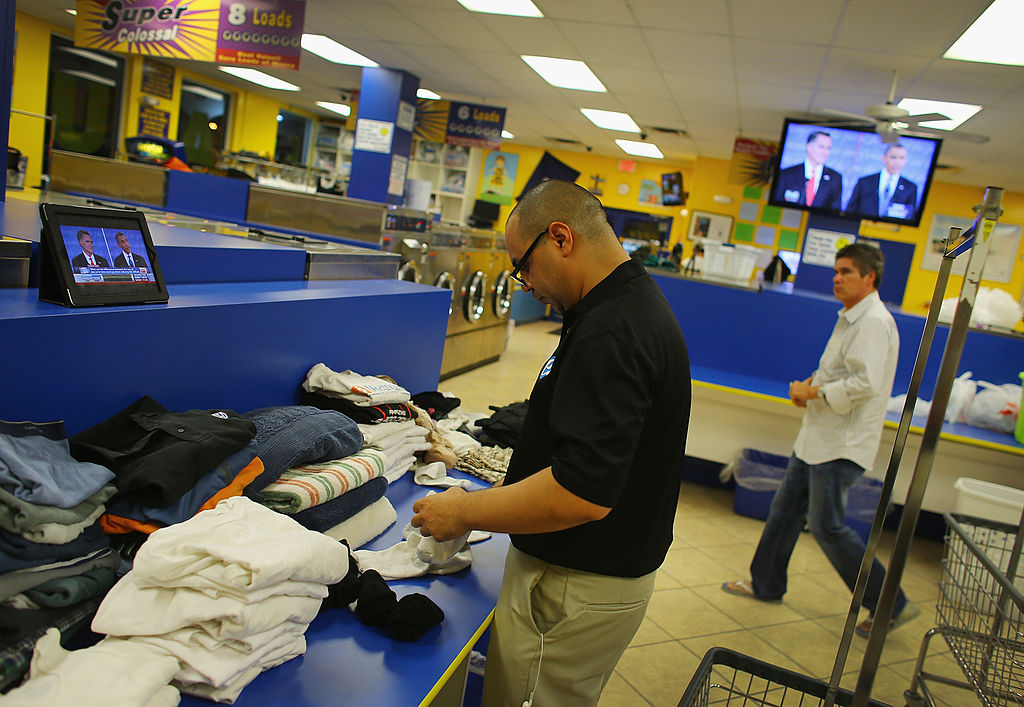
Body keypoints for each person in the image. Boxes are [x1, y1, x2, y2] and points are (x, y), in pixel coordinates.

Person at [410, 179, 691, 706]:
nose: (523, 283)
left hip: (575, 585)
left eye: (524, 266)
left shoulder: (613, 333)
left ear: (560, 238)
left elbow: (579, 493)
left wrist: (465, 512)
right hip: (581, 577)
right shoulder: (617, 307)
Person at [723, 242, 917, 637]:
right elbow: (833, 370)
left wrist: (815, 393)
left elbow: (865, 383)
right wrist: (807, 386)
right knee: (784, 513)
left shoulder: (874, 322)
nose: (837, 278)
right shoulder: (850, 318)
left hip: (840, 446)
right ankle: (766, 585)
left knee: (827, 527)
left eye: (846, 272)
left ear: (869, 278)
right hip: (817, 439)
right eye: (836, 271)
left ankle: (887, 604)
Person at [845, 143, 918, 221]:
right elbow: (850, 211)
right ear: (884, 158)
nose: (897, 162)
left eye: (902, 158)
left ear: (906, 160)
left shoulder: (910, 187)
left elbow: (909, 218)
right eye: (893, 157)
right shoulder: (865, 182)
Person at [774, 130, 843, 210]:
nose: (825, 152)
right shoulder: (787, 174)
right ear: (809, 147)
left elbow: (834, 210)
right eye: (821, 147)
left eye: (828, 148)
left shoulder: (835, 178)